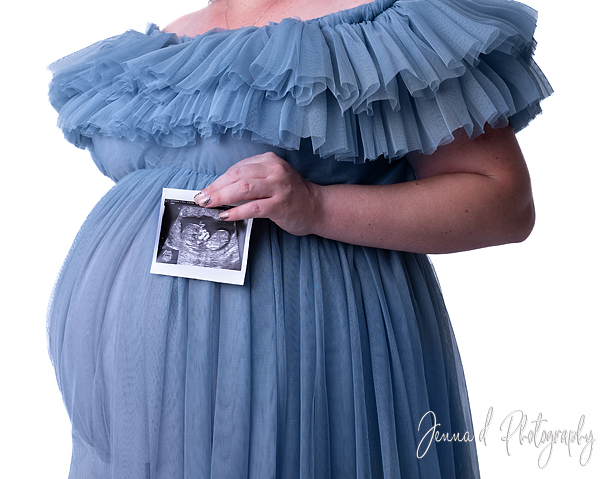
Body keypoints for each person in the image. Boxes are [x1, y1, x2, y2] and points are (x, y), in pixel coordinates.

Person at [46, 0, 552, 477]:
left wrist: (317, 205)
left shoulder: (383, 28)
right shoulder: (156, 50)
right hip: (127, 408)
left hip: (308, 368)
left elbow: (502, 203)